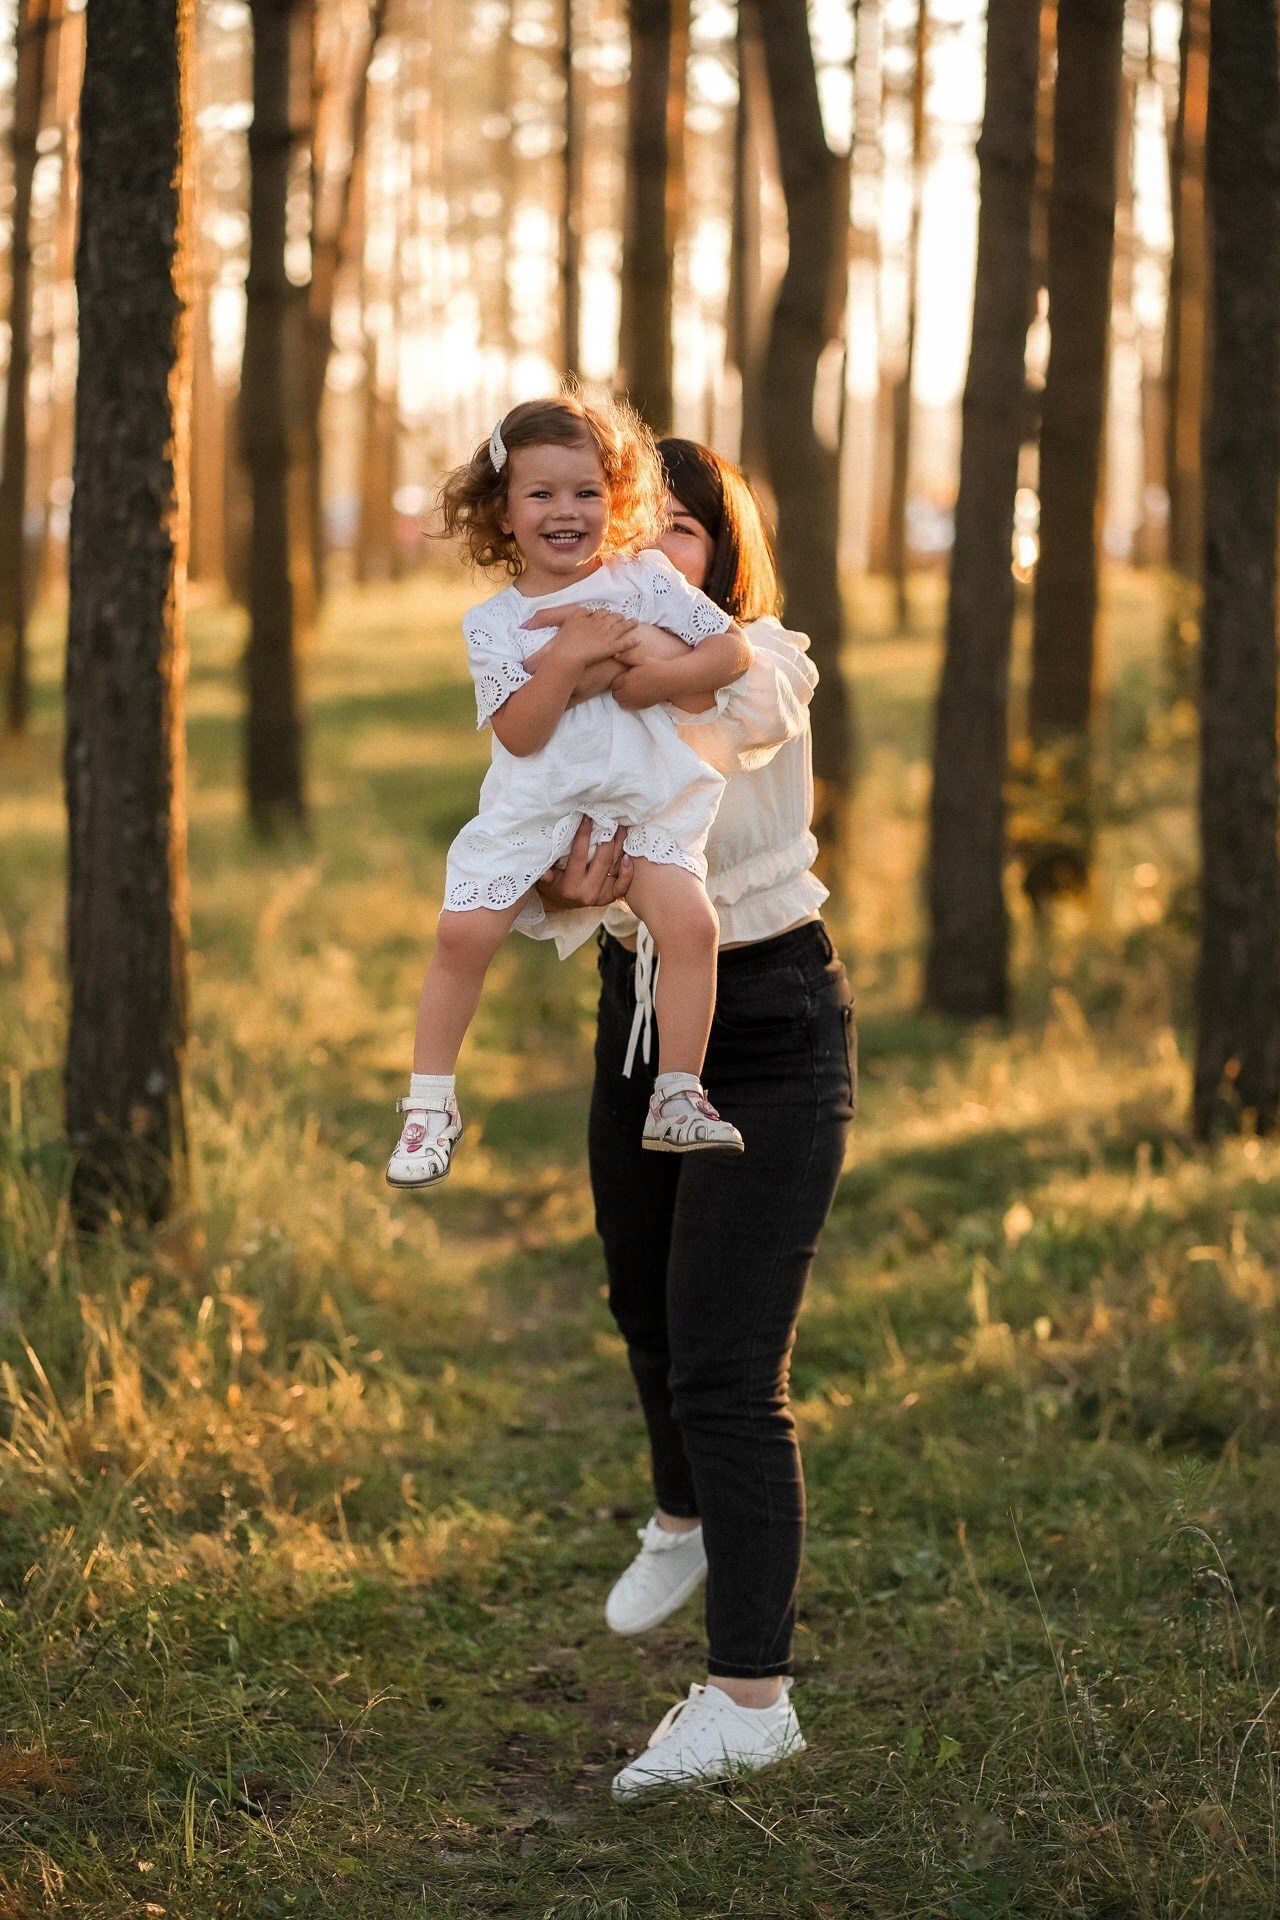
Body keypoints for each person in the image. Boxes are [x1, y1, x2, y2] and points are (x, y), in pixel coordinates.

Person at [539, 439, 855, 1799]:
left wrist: (619, 675)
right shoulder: (584, 694)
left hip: (770, 1022)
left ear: (725, 548)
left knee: (730, 1370)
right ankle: (682, 1515)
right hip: (637, 1010)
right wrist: (573, 883)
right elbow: (563, 885)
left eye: (684, 526)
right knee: (643, 1309)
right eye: (633, 525)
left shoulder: (767, 654)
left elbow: (734, 708)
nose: (659, 547)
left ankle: (751, 1699)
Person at [386, 395, 757, 1192]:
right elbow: (521, 734)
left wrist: (654, 677)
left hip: (639, 802)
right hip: (535, 811)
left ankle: (678, 1093)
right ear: (503, 512)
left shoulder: (648, 579)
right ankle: (429, 1103)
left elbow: (729, 655)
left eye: (587, 493)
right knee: (461, 935)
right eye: (542, 494)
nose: (567, 511)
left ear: (616, 499)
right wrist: (571, 657)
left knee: (691, 926)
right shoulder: (493, 626)